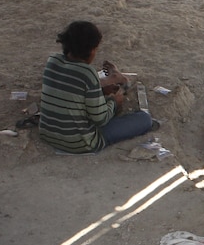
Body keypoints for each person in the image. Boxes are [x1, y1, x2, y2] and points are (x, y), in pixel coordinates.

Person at [39, 21, 153, 153]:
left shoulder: (52, 60)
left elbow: (70, 89)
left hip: (48, 134)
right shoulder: (87, 72)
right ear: (91, 50)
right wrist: (114, 102)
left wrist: (100, 92)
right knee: (144, 119)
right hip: (80, 143)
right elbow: (101, 119)